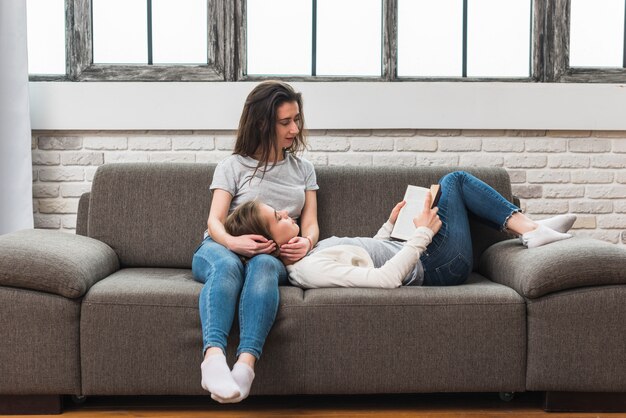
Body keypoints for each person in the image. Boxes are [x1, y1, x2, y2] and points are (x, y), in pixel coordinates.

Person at [224, 171, 576, 289]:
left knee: (446, 188)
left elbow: (371, 257)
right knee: (454, 181)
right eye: (277, 217)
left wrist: (391, 224)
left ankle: (529, 227)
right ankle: (530, 229)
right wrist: (422, 233)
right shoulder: (308, 269)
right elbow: (384, 280)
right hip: (439, 266)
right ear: (266, 241)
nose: (286, 212)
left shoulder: (306, 253)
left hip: (418, 250)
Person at [191, 81, 319, 403]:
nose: (295, 128)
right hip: (220, 248)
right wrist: (233, 244)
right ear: (263, 123)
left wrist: (306, 242)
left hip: (270, 255)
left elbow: (311, 224)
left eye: (296, 119)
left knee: (263, 265)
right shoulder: (232, 166)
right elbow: (214, 222)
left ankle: (245, 367)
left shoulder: (303, 170)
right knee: (228, 268)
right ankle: (214, 359)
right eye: (285, 122)